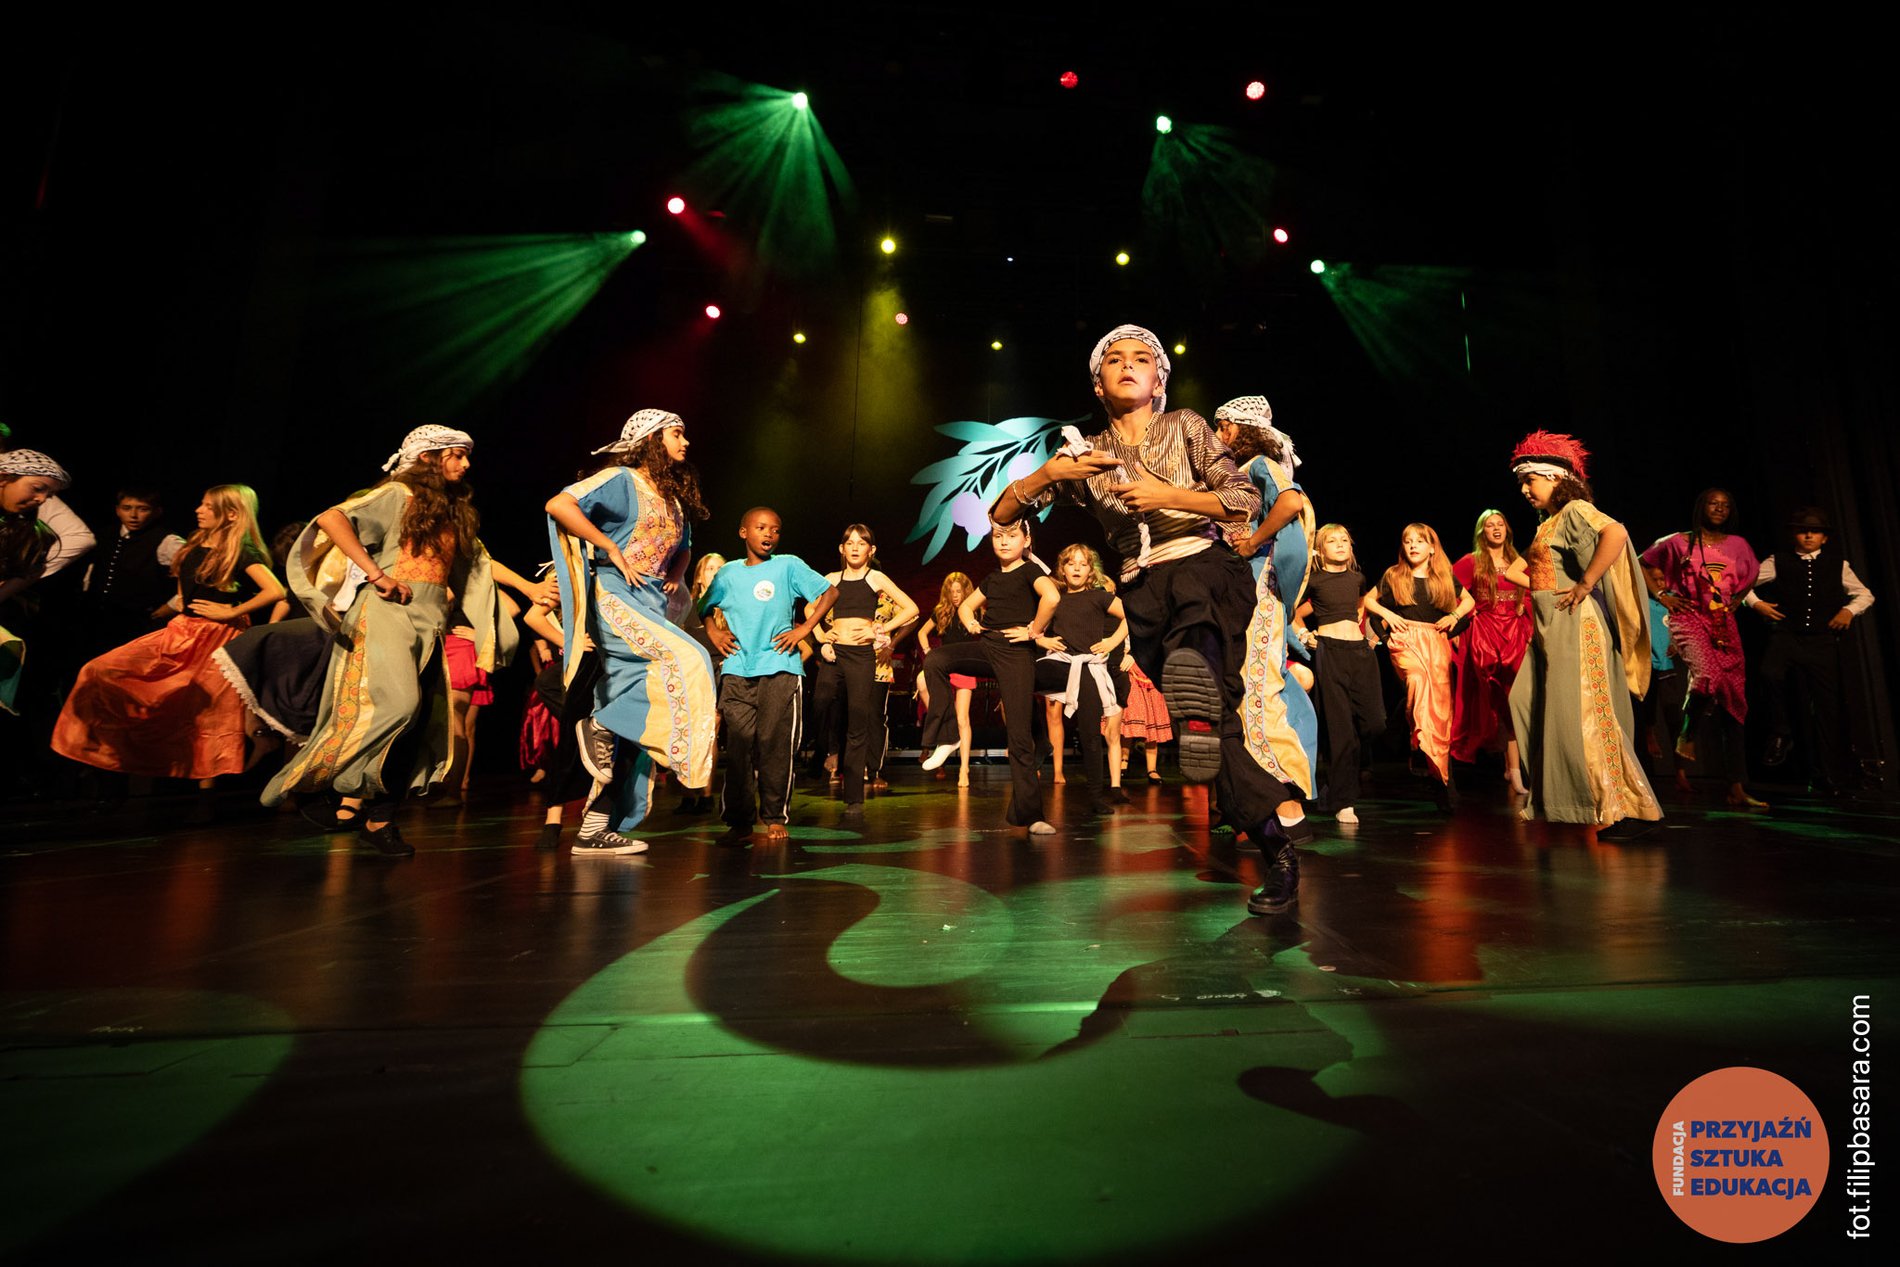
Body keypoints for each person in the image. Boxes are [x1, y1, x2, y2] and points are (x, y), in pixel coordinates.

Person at [988, 324, 1306, 916]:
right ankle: (1278, 852)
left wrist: (1169, 496)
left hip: (1204, 567)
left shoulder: (1185, 425)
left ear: (1159, 379)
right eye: (1114, 359)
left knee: (1195, 635)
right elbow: (1002, 515)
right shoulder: (1086, 454)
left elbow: (1244, 500)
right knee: (1212, 729)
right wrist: (1047, 477)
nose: (1128, 365)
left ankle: (1197, 674)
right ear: (1098, 384)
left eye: (1141, 358)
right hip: (1142, 590)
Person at [264, 425, 517, 857]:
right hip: (386, 614)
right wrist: (376, 574)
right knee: (398, 706)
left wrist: (529, 590)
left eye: (466, 456)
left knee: (415, 723)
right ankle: (315, 782)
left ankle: (380, 819)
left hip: (429, 623)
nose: (466, 464)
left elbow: (477, 564)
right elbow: (332, 518)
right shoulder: (398, 494)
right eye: (456, 455)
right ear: (427, 458)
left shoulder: (451, 510)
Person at [546, 409, 715, 854]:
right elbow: (559, 505)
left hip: (652, 605)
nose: (685, 442)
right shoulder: (622, 479)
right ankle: (599, 724)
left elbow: (685, 546)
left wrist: (676, 574)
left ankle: (594, 828)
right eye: (677, 434)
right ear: (652, 440)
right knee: (690, 659)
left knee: (635, 726)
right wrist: (608, 546)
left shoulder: (671, 497)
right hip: (615, 598)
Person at [53, 485, 284, 791]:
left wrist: (233, 611)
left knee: (210, 715)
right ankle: (100, 753)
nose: (198, 510)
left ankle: (207, 795)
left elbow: (276, 591)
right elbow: (183, 594)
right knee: (98, 670)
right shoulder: (194, 543)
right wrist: (167, 612)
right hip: (183, 629)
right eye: (201, 504)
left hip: (218, 637)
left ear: (231, 514)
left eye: (208, 506)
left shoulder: (241, 551)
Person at [1499, 431, 1661, 836]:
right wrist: (1541, 589)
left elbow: (1615, 532)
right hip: (1549, 626)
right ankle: (1567, 797)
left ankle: (1628, 809)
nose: (1524, 490)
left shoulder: (1574, 510)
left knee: (1590, 712)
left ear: (1554, 477)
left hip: (1577, 623)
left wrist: (1585, 583)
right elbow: (1520, 571)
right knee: (1525, 700)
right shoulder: (1548, 523)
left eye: (1529, 480)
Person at [701, 507, 838, 840]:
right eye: (761, 528)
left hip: (780, 667)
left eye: (775, 530)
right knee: (739, 747)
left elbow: (830, 592)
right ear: (743, 532)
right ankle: (739, 820)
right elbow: (704, 606)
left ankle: (774, 815)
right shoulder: (729, 573)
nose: (769, 534)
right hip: (737, 668)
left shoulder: (787, 565)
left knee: (774, 744)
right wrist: (714, 633)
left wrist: (805, 628)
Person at [1214, 395, 1319, 821]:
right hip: (1242, 590)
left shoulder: (1259, 463)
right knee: (1241, 685)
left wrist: (1253, 543)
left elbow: (1290, 502)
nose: (1217, 435)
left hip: (1262, 587)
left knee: (1257, 685)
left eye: (1221, 426)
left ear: (1238, 429)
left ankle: (1284, 795)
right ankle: (1245, 802)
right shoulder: (1237, 474)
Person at [918, 517, 1059, 833]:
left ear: (1026, 541)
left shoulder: (1030, 571)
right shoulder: (992, 579)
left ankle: (1032, 816)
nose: (1004, 541)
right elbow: (966, 607)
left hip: (1017, 653)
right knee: (936, 660)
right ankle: (948, 736)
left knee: (1018, 736)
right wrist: (969, 620)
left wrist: (1034, 631)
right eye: (998, 535)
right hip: (988, 645)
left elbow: (1052, 598)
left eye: (1012, 535)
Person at [1640, 489, 1764, 809]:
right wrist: (1661, 596)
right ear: (1701, 507)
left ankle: (1736, 786)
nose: (1720, 509)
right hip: (1689, 616)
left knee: (1734, 699)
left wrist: (1738, 599)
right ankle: (1687, 732)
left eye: (1726, 505)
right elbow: (1641, 563)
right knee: (1707, 676)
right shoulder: (1678, 541)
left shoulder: (1738, 545)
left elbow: (1752, 573)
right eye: (1713, 503)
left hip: (1723, 621)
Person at [1744, 506, 1876, 795]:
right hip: (1787, 636)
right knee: (1769, 673)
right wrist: (1756, 604)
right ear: (1793, 534)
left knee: (1827, 707)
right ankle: (1781, 732)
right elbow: (1742, 583)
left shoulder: (1838, 564)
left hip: (1821, 641)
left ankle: (1830, 775)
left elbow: (1865, 594)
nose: (1808, 535)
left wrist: (1848, 611)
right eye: (1803, 531)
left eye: (1814, 532)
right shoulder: (1778, 561)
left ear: (1824, 538)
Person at [811, 524, 919, 817]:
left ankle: (854, 797)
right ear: (841, 549)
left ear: (871, 550)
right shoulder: (831, 579)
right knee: (821, 701)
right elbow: (810, 610)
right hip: (835, 653)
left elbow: (911, 608)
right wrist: (822, 638)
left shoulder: (876, 578)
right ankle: (820, 751)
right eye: (850, 543)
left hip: (861, 656)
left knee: (859, 720)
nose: (855, 547)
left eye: (862, 543)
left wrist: (880, 629)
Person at [1365, 524, 1474, 807]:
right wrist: (1388, 616)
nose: (1413, 545)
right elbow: (1369, 601)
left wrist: (1454, 616)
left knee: (1440, 712)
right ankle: (1414, 737)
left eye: (1420, 541)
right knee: (1417, 679)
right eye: (1408, 541)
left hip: (1435, 640)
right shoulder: (1394, 575)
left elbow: (1469, 601)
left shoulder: (1443, 576)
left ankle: (1437, 773)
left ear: (1432, 548)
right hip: (1406, 640)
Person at [1297, 524, 1385, 824]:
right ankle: (1343, 801)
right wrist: (1304, 635)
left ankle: (1335, 784)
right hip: (1330, 652)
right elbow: (1294, 612)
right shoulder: (1315, 581)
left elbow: (1361, 607)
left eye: (1344, 540)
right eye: (1332, 541)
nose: (1340, 544)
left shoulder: (1357, 579)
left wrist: (1369, 638)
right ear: (1320, 551)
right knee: (1340, 731)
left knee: (1375, 723)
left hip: (1360, 653)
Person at [1033, 544, 1129, 814]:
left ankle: (1096, 796)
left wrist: (1111, 642)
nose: (1076, 568)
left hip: (1087, 667)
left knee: (1090, 733)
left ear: (1090, 571)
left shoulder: (1099, 597)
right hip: (1060, 662)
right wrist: (1043, 640)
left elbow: (1130, 615)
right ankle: (1040, 741)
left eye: (1082, 564)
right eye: (1071, 563)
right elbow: (1035, 630)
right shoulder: (1055, 598)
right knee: (1022, 679)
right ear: (1062, 569)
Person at [1450, 509, 1532, 793]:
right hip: (1485, 635)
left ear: (1507, 529)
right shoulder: (1471, 561)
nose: (1496, 528)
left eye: (1500, 524)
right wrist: (1458, 625)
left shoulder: (1518, 561)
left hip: (1515, 634)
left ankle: (1514, 769)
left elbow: (1533, 591)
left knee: (1514, 700)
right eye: (1489, 525)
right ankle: (1509, 767)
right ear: (1481, 531)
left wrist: (1524, 608)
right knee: (1490, 700)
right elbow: (1450, 591)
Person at [0, 449, 72, 717]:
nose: (42, 499)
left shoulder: (34, 536)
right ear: (4, 478)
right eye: (38, 488)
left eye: (48, 494)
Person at [79, 487, 188, 655]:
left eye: (143, 509)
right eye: (127, 508)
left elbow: (196, 576)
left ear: (157, 512)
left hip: (140, 623)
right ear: (118, 510)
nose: (133, 515)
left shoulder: (167, 541)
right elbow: (93, 570)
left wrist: (171, 606)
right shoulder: (105, 534)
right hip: (98, 619)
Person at [915, 571, 979, 786]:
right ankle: (945, 727)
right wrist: (928, 653)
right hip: (944, 665)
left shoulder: (974, 611)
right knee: (922, 681)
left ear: (966, 591)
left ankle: (964, 769)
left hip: (965, 665)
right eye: (952, 592)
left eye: (959, 591)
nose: (955, 595)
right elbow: (922, 633)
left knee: (963, 720)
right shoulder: (941, 611)